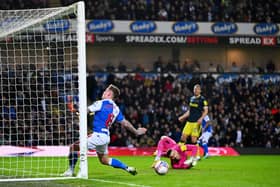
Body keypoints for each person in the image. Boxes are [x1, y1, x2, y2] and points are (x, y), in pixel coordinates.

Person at [63, 84, 147, 176]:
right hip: (105, 137)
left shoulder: (101, 103)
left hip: (98, 135)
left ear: (109, 94)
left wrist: (76, 111)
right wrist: (136, 131)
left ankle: (72, 171)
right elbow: (125, 123)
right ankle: (127, 168)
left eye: (106, 91)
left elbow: (86, 111)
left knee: (73, 147)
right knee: (104, 160)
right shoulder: (116, 108)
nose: (103, 92)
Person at [178, 84, 208, 163]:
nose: (195, 90)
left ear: (200, 90)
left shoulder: (202, 99)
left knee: (193, 139)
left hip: (196, 122)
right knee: (183, 137)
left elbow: (206, 111)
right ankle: (179, 153)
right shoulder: (191, 99)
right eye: (194, 89)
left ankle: (196, 155)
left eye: (197, 89)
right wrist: (183, 117)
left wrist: (201, 119)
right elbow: (189, 111)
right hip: (189, 121)